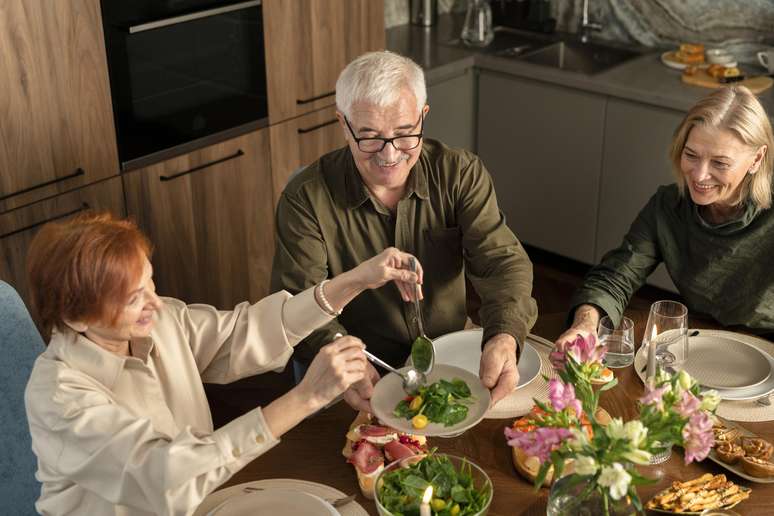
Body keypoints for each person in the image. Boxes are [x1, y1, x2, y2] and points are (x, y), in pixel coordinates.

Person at [23, 212, 421, 515]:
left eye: (151, 283)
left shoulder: (158, 322)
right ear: (76, 318)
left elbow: (245, 332)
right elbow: (165, 476)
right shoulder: (59, 396)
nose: (155, 305)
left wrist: (355, 280)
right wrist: (305, 398)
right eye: (132, 299)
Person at [271, 50, 538, 411]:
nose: (390, 154)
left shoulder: (460, 173)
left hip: (450, 357)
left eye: (404, 133)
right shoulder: (305, 197)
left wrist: (504, 335)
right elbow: (298, 302)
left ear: (422, 116)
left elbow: (502, 263)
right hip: (357, 367)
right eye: (369, 136)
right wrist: (349, 361)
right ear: (343, 124)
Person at [557, 85, 774, 346]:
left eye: (720, 163)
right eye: (691, 155)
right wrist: (586, 325)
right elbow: (616, 277)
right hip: (701, 340)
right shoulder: (668, 205)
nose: (699, 175)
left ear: (757, 159)